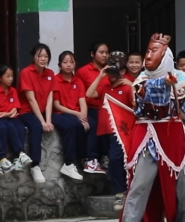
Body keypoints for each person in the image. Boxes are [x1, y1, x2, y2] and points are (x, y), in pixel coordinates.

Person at [115, 33, 185, 222]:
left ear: (166, 55)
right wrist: (165, 83)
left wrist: (180, 107)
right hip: (149, 135)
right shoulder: (141, 80)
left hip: (175, 135)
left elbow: (184, 111)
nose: (148, 55)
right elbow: (148, 93)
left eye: (154, 51)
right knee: (140, 183)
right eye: (148, 51)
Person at [89, 53, 135, 210]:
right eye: (109, 72)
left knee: (116, 159)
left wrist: (132, 86)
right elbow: (89, 94)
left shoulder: (127, 87)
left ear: (122, 71)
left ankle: (120, 193)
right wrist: (101, 75)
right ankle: (121, 190)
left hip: (121, 131)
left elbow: (136, 105)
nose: (111, 75)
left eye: (114, 72)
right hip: (105, 129)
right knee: (112, 160)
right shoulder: (105, 87)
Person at [18, 44, 56, 184]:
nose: (43, 59)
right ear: (34, 57)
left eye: (46, 56)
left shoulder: (50, 73)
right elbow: (31, 99)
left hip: (44, 110)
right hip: (27, 110)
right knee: (36, 126)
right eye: (40, 56)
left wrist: (48, 119)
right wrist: (42, 121)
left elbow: (50, 98)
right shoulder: (26, 72)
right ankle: (35, 165)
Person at [52, 51, 88, 181]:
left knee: (88, 125)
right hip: (58, 113)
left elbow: (83, 102)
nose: (68, 65)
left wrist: (84, 118)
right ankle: (69, 163)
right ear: (59, 64)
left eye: (71, 62)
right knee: (71, 125)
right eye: (65, 62)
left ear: (75, 64)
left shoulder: (78, 81)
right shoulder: (55, 80)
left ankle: (86, 159)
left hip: (74, 114)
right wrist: (78, 114)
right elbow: (56, 105)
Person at [76, 42, 109, 174]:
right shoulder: (83, 71)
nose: (105, 55)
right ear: (92, 54)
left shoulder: (110, 71)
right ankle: (91, 159)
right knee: (96, 123)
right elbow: (79, 93)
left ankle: (106, 156)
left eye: (107, 53)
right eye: (101, 52)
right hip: (89, 107)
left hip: (106, 108)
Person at [0, 65, 32, 171]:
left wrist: (10, 113)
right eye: (7, 76)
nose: (10, 79)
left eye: (12, 76)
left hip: (11, 116)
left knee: (21, 128)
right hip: (1, 118)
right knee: (7, 127)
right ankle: (20, 153)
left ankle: (17, 159)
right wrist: (6, 114)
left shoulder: (13, 90)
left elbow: (16, 107)